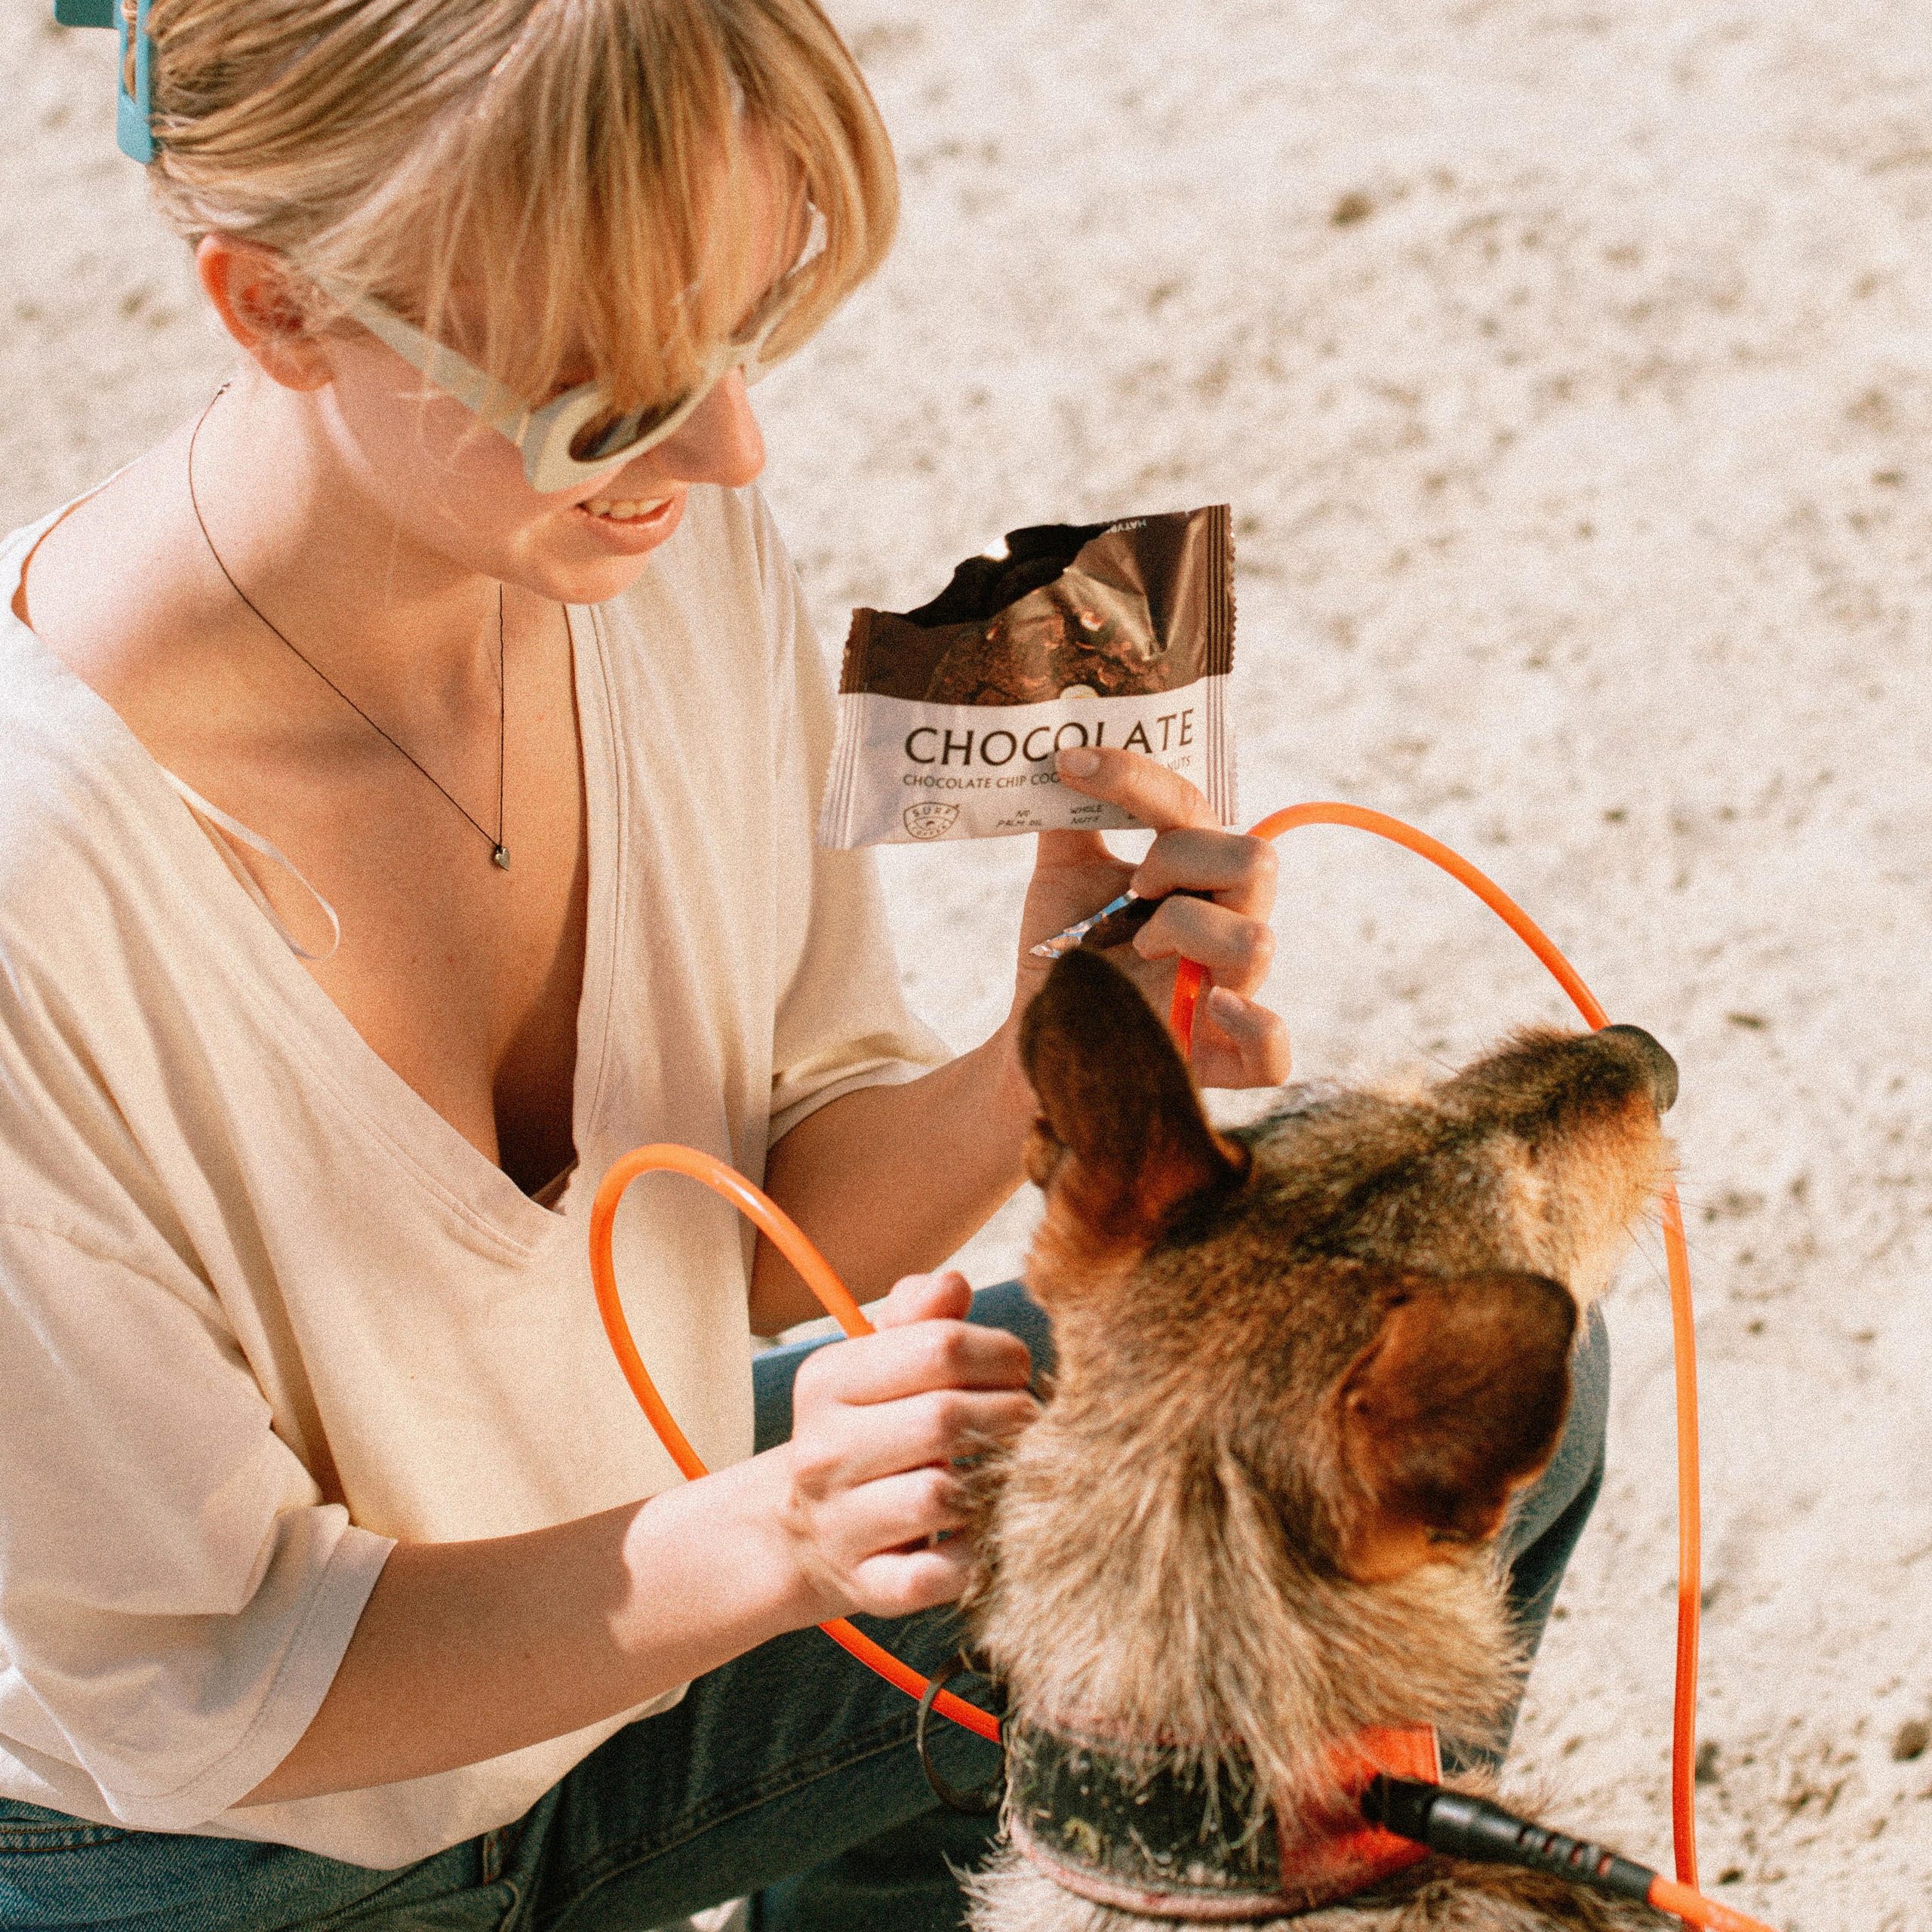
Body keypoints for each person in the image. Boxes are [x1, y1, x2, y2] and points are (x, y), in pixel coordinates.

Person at [0, 4, 1602, 1928]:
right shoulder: (40, 887)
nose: (727, 444)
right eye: (602, 393)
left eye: (745, 332)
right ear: (270, 309)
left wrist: (1047, 1052)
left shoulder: (646, 552)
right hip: (219, 1848)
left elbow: (753, 1236)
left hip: (657, 1616)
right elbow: (203, 1685)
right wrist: (776, 1530)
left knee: (1416, 1342)